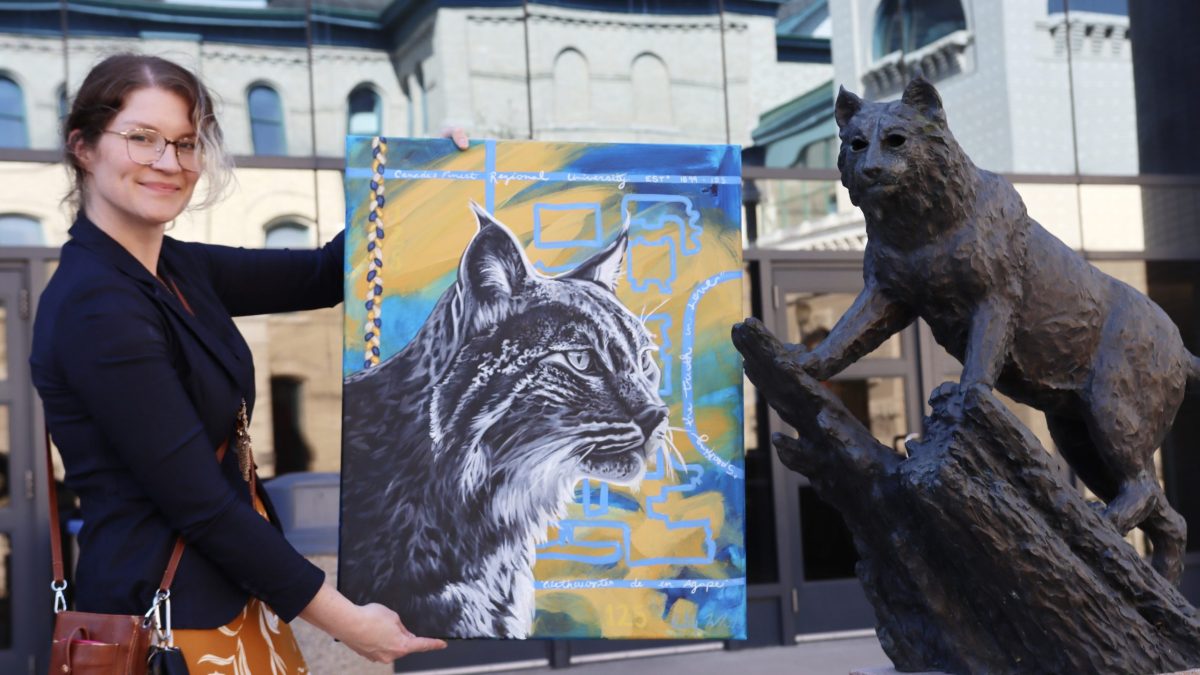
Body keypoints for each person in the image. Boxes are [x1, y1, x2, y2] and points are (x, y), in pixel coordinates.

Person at [30, 53, 462, 670]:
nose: (168, 163)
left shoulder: (177, 269)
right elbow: (198, 501)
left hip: (228, 601)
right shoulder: (96, 304)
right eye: (141, 138)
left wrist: (435, 176)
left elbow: (325, 272)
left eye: (185, 143)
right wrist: (349, 624)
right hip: (169, 628)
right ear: (84, 147)